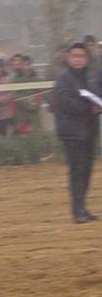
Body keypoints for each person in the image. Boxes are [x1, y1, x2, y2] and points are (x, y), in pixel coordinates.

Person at [53, 42, 102, 224]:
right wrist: (89, 109)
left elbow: (97, 95)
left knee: (87, 170)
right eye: (74, 56)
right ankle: (76, 211)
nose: (78, 59)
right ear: (68, 58)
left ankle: (83, 208)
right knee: (77, 171)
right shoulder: (63, 78)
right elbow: (67, 102)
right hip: (72, 133)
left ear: (86, 58)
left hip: (89, 131)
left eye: (81, 56)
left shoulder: (89, 77)